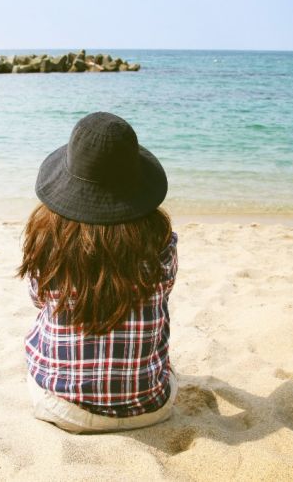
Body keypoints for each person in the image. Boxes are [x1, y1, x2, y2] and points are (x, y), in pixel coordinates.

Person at [17, 112, 178, 433]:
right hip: (149, 408)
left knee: (40, 331)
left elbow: (38, 299)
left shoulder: (47, 239)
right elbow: (165, 289)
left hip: (62, 409)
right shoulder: (161, 242)